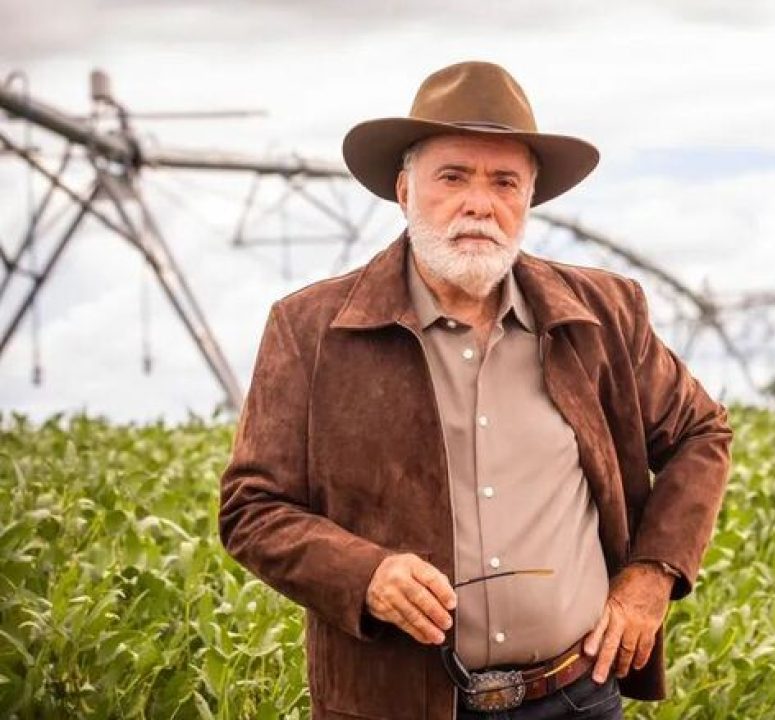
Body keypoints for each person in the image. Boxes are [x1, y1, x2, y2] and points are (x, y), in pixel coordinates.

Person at [218, 60, 733, 719]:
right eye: (453, 177)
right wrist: (364, 575)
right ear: (404, 190)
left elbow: (701, 432)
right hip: (394, 706)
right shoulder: (311, 329)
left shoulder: (604, 314)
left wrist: (652, 576)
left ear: (528, 200)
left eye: (504, 182)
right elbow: (252, 508)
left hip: (575, 697)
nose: (479, 203)